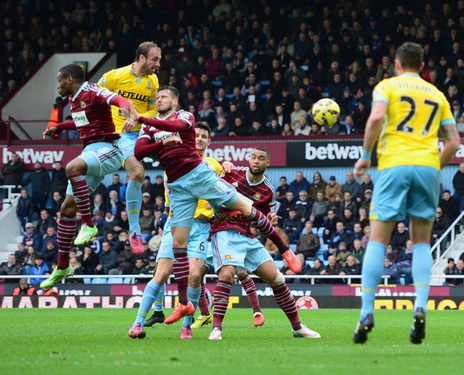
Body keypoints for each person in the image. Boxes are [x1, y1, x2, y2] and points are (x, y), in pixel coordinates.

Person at [129, 88, 299, 337]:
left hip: (200, 180)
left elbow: (176, 126)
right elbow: (138, 152)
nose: (159, 100)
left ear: (175, 101)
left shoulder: (185, 117)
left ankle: (284, 250)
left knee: (245, 209)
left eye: (164, 97)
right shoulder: (150, 129)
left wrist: (142, 119)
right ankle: (185, 304)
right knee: (178, 246)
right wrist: (161, 140)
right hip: (178, 188)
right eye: (158, 98)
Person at [352, 42, 460, 345]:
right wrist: (432, 167)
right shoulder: (437, 94)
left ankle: (366, 313)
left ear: (397, 64)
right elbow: (454, 142)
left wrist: (365, 155)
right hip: (427, 167)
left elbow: (375, 118)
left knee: (378, 239)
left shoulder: (386, 86)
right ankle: (421, 306)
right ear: (421, 66)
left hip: (394, 165)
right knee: (422, 241)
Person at [207, 147, 320, 340]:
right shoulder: (232, 172)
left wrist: (269, 219)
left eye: (260, 158)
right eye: (253, 157)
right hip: (224, 232)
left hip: (248, 237)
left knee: (277, 279)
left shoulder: (269, 190)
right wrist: (221, 170)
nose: (255, 161)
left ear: (268, 163)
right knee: (226, 274)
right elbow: (209, 182)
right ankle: (216, 328)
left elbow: (261, 220)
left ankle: (297, 327)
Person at [39, 63, 134, 288]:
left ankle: (89, 223)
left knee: (71, 168)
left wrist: (126, 109)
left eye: (59, 81)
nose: (58, 86)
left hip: (109, 147)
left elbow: (118, 100)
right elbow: (83, 122)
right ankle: (62, 267)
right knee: (66, 209)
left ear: (69, 79)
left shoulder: (93, 91)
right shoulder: (74, 100)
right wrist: (61, 126)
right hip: (90, 151)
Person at [98, 41, 161, 254]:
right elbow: (94, 99)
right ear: (141, 58)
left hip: (142, 132)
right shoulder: (115, 76)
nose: (158, 64)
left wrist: (138, 117)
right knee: (138, 172)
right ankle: (134, 230)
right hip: (119, 133)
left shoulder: (153, 81)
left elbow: (155, 112)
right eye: (155, 59)